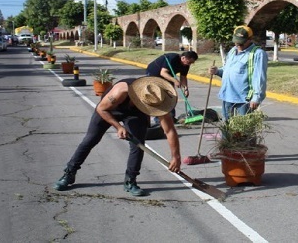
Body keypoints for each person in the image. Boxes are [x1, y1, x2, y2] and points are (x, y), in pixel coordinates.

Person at [53, 76, 181, 196]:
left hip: (135, 114)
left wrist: (176, 157)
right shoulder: (121, 91)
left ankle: (130, 180)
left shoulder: (159, 100)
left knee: (138, 145)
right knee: (91, 140)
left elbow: (169, 131)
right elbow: (102, 109)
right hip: (108, 110)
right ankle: (69, 173)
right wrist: (119, 127)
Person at [209, 25, 268, 121]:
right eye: (236, 42)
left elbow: (260, 78)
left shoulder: (258, 54)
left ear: (249, 39)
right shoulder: (232, 51)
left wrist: (256, 98)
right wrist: (217, 71)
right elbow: (227, 70)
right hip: (227, 96)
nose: (238, 45)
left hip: (244, 99)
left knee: (243, 130)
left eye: (241, 43)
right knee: (227, 127)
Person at [146, 51, 198, 122]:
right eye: (189, 62)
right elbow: (163, 72)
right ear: (183, 58)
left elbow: (183, 77)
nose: (189, 64)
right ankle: (159, 119)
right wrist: (175, 81)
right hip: (154, 74)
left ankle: (171, 117)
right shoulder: (172, 58)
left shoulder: (186, 65)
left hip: (168, 75)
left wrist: (186, 88)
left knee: (171, 96)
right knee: (159, 96)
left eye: (191, 63)